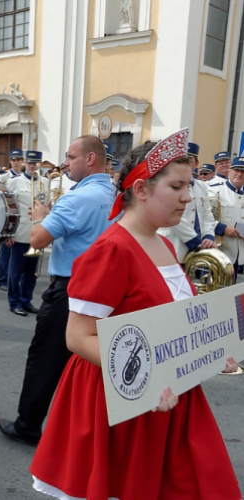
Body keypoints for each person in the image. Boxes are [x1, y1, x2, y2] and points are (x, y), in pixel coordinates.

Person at [30, 130, 241, 500]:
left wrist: (209, 351)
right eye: (176, 187)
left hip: (170, 397)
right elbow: (78, 338)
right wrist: (146, 377)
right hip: (122, 401)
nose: (188, 196)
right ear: (141, 189)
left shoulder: (160, 241)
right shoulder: (112, 249)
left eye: (188, 186)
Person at [0, 135, 114, 446]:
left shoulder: (77, 199)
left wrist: (40, 217)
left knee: (45, 360)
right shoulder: (114, 193)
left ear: (90, 159)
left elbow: (37, 239)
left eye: (71, 157)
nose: (65, 162)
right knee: (87, 367)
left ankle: (28, 426)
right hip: (106, 292)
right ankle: (84, 433)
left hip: (71, 290)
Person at [157, 142, 216, 264]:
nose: (185, 164)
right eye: (181, 160)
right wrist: (195, 241)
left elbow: (207, 215)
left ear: (196, 163)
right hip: (175, 246)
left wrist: (208, 237)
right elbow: (171, 214)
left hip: (197, 250)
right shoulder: (169, 184)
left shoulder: (202, 186)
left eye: (189, 160)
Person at [5, 151, 48, 316]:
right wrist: (9, 232)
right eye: (30, 163)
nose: (32, 166)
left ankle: (26, 300)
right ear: (25, 164)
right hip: (20, 232)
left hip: (37, 233)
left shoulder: (44, 182)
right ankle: (14, 302)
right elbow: (8, 208)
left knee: (31, 272)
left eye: (35, 163)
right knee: (15, 272)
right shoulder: (15, 182)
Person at [208, 156, 244, 282]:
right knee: (215, 291)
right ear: (230, 172)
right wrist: (222, 228)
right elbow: (203, 218)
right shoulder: (215, 190)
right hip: (220, 250)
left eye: (243, 171)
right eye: (236, 170)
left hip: (238, 254)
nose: (239, 174)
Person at [0, 149, 24, 291]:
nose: (16, 162)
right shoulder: (3, 178)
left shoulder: (25, 179)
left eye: (19, 160)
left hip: (22, 218)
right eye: (14, 160)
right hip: (7, 216)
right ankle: (2, 279)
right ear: (10, 161)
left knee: (19, 251)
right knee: (5, 250)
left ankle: (14, 279)